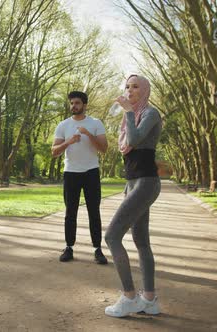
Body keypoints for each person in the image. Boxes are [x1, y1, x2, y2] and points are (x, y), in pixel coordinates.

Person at [103, 75, 162, 317]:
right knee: (141, 242)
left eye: (135, 86)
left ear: (145, 90)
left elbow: (136, 140)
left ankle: (129, 297)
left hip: (147, 182)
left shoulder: (151, 114)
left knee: (112, 236)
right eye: (127, 86)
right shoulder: (132, 116)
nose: (130, 90)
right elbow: (128, 144)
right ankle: (149, 299)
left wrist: (127, 111)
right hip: (133, 182)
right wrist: (128, 113)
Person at [51, 91, 108, 264]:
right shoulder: (63, 125)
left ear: (84, 105)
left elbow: (104, 148)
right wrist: (68, 142)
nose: (73, 106)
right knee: (70, 212)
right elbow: (54, 152)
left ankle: (97, 249)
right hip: (71, 173)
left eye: (77, 103)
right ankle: (69, 247)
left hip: (91, 171)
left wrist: (88, 134)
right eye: (71, 103)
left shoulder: (95, 123)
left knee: (94, 211)